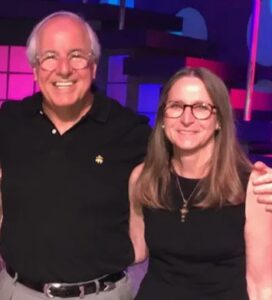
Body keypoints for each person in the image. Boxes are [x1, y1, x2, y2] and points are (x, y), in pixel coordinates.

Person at [0, 11, 150, 300]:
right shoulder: (9, 122)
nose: (64, 69)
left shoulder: (131, 131)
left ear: (94, 65)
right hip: (17, 291)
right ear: (35, 69)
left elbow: (194, 172)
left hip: (103, 293)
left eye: (77, 55)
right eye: (50, 57)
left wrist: (258, 184)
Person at [129, 67, 272, 300]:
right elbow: (135, 250)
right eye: (176, 106)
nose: (187, 119)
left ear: (219, 121)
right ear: (163, 118)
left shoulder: (252, 186)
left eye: (201, 108)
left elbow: (262, 285)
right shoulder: (143, 178)